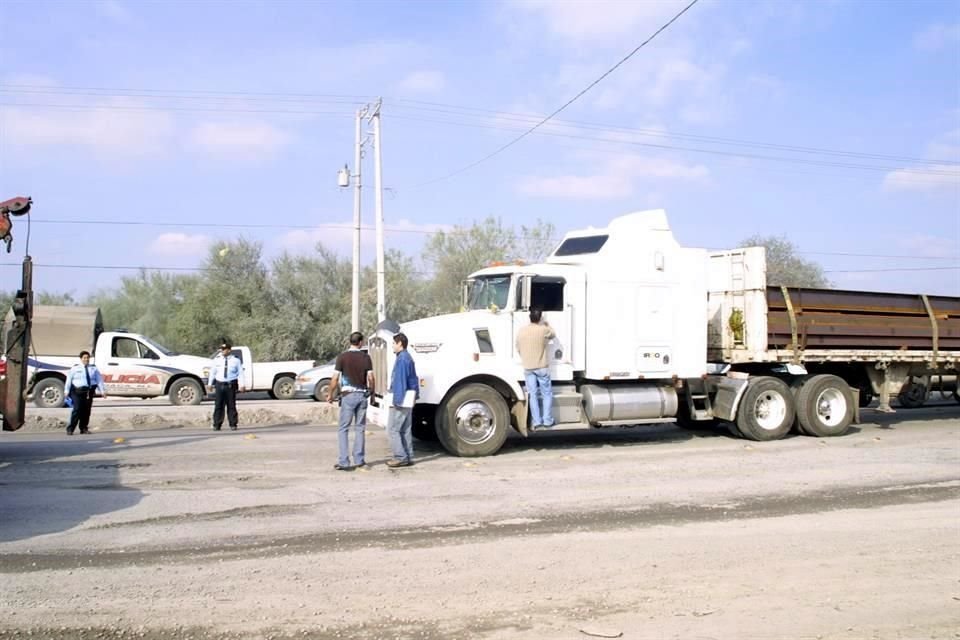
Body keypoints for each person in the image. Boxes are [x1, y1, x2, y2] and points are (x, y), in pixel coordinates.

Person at [328, 331, 375, 471]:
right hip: (362, 396)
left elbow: (335, 379)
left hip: (347, 396)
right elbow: (371, 378)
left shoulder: (342, 357)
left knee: (343, 429)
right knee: (360, 428)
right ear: (360, 343)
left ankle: (344, 461)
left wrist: (330, 394)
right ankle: (360, 460)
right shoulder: (366, 358)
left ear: (350, 342)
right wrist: (372, 394)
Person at [516, 308, 556, 431]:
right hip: (542, 367)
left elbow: (517, 347)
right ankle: (548, 420)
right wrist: (546, 323)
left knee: (532, 395)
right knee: (546, 394)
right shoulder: (543, 330)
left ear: (530, 317)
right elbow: (553, 333)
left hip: (528, 367)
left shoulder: (522, 331)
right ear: (539, 318)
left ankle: (537, 421)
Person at [386, 332, 419, 468]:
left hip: (401, 399)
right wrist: (415, 396)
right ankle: (408, 456)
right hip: (409, 398)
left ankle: (400, 457)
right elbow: (414, 379)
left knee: (393, 429)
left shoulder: (402, 359)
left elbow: (400, 381)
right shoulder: (407, 358)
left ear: (400, 343)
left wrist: (397, 401)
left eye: (394, 343)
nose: (392, 346)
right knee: (405, 429)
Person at [64, 350, 106, 435]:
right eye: (84, 358)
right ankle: (70, 428)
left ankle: (83, 428)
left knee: (86, 411)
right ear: (81, 359)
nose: (86, 359)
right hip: (77, 391)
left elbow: (99, 380)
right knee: (77, 409)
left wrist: (102, 391)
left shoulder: (93, 368)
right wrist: (66, 391)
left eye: (87, 358)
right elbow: (69, 380)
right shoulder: (75, 368)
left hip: (88, 392)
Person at [207, 341, 245, 431]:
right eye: (222, 349)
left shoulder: (236, 360)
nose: (223, 351)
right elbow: (213, 372)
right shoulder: (217, 360)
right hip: (219, 384)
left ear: (229, 350)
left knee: (231, 405)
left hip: (230, 385)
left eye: (225, 349)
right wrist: (210, 384)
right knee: (218, 405)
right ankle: (217, 424)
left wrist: (242, 384)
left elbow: (240, 373)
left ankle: (233, 424)